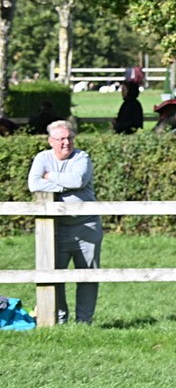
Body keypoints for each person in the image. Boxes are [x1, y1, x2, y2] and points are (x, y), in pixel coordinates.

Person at [27, 120, 102, 324]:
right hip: (56, 229)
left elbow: (78, 180)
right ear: (51, 141)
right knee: (54, 276)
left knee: (87, 276)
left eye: (69, 138)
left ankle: (84, 322)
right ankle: (59, 319)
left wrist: (50, 177)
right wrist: (63, 185)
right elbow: (34, 183)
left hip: (87, 227)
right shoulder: (42, 158)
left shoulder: (82, 157)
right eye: (61, 139)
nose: (66, 143)